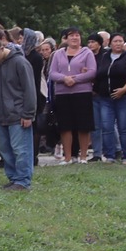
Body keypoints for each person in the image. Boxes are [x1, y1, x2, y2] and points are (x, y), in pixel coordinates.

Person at [0, 33, 38, 190]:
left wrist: (28, 114)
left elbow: (30, 90)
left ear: (2, 48)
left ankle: (23, 181)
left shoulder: (20, 63)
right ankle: (13, 178)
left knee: (21, 150)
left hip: (19, 115)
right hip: (0, 116)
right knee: (5, 150)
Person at [48, 29, 95, 164]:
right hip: (63, 93)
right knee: (65, 125)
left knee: (83, 125)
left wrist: (75, 79)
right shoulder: (58, 54)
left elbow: (92, 72)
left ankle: (83, 157)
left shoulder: (87, 53)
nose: (74, 38)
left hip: (82, 92)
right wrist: (64, 78)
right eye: (71, 36)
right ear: (66, 39)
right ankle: (67, 157)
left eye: (77, 35)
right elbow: (52, 73)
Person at [93, 32, 126, 164]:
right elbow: (99, 75)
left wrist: (124, 89)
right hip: (105, 98)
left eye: (120, 41)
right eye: (115, 41)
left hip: (124, 97)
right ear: (110, 43)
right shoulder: (104, 57)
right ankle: (110, 155)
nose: (118, 44)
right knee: (107, 127)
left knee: (123, 127)